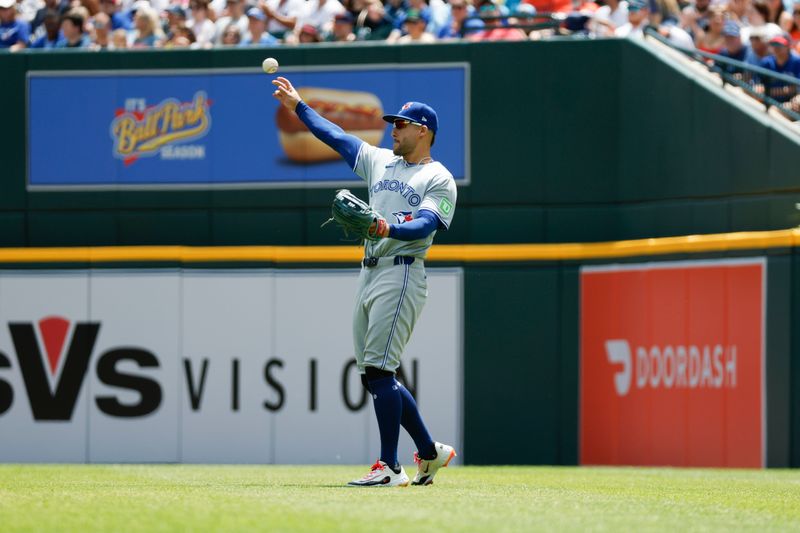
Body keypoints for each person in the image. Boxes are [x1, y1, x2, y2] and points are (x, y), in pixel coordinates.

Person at [272, 76, 458, 488]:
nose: (393, 129)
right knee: (374, 374)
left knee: (379, 368)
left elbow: (429, 222)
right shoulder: (381, 160)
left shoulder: (439, 177)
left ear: (422, 131)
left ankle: (389, 467)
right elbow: (336, 136)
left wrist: (385, 225)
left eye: (401, 124)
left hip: (403, 271)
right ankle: (430, 452)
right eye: (393, 123)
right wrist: (299, 106)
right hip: (369, 270)